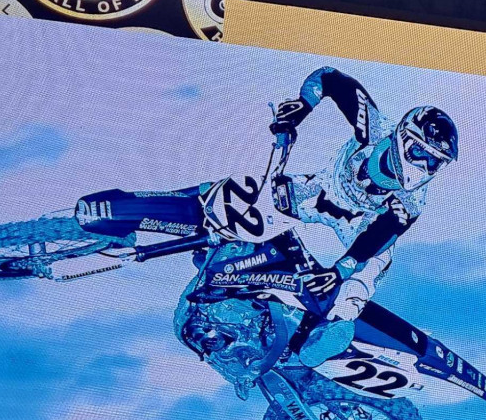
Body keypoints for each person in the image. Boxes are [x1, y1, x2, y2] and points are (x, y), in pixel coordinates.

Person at [73, 65, 458, 368]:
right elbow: (331, 79)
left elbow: (377, 237)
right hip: (319, 192)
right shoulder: (375, 128)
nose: (422, 165)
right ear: (401, 136)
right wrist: (302, 107)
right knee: (229, 200)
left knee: (369, 271)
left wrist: (339, 271)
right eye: (419, 152)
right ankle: (142, 212)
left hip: (359, 224)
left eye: (434, 162)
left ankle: (330, 331)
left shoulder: (411, 202)